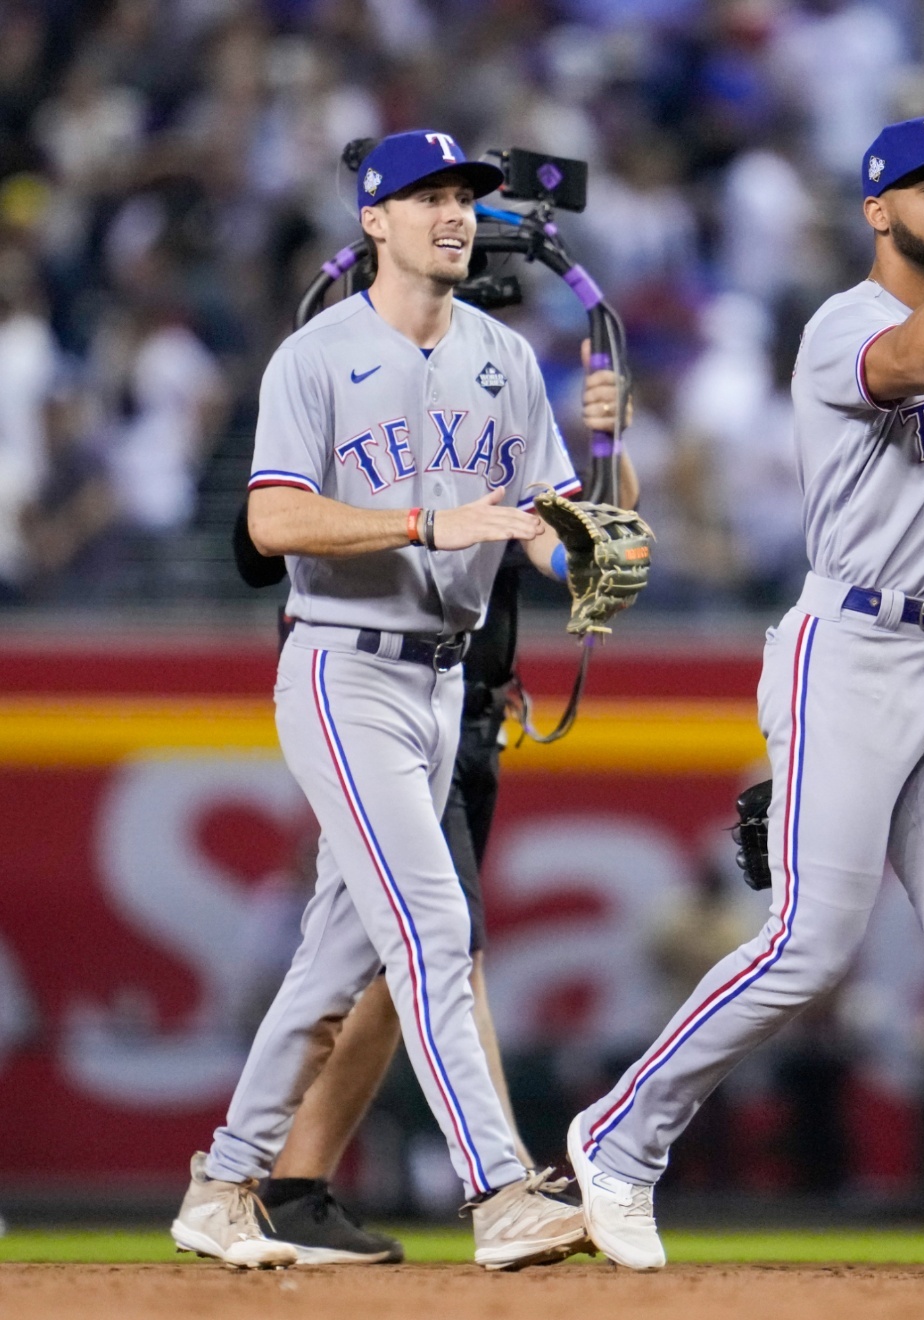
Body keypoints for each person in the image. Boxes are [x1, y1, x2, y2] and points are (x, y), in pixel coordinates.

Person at [565, 104, 924, 1274]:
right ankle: (620, 1137)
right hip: (853, 648)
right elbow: (918, 359)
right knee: (808, 945)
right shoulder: (845, 326)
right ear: (877, 208)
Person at [170, 130, 599, 1271]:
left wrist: (589, 554)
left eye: (465, 197)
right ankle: (500, 1191)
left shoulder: (506, 356)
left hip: (448, 680)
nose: (455, 213)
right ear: (374, 221)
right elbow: (271, 522)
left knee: (330, 968)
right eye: (428, 198)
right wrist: (425, 523)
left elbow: (553, 517)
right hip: (343, 665)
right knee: (435, 926)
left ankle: (222, 1186)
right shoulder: (315, 356)